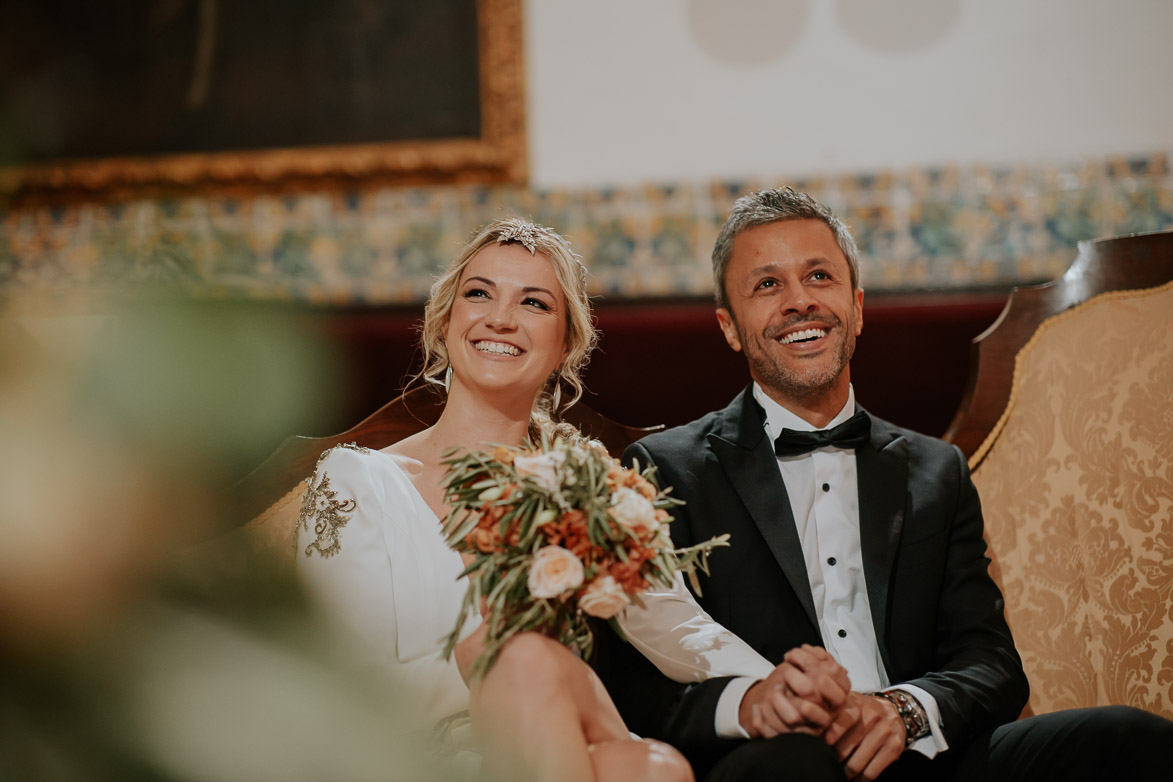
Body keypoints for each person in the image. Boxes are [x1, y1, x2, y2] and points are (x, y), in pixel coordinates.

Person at [593, 187, 1173, 782]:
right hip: (777, 761)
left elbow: (990, 663)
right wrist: (750, 706)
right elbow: (635, 684)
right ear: (730, 327)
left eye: (819, 276)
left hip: (926, 756)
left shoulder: (936, 470)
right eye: (767, 285)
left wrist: (904, 712)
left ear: (858, 306)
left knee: (1131, 739)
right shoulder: (665, 471)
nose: (799, 302)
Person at [294, 218, 785, 782]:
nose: (500, 318)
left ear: (567, 344)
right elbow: (343, 677)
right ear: (445, 321)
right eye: (478, 294)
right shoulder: (358, 483)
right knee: (531, 665)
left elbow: (676, 626)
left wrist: (781, 688)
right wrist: (523, 663)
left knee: (659, 768)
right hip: (411, 759)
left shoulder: (591, 486)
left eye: (534, 303)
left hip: (559, 742)